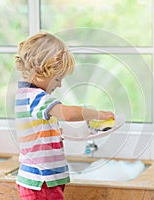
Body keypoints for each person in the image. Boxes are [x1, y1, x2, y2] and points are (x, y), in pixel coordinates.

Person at [14, 32, 115, 200]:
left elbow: (44, 133)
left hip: (45, 181)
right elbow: (66, 114)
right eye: (57, 79)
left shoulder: (30, 97)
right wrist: (98, 114)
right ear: (41, 71)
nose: (59, 84)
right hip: (41, 182)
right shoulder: (34, 97)